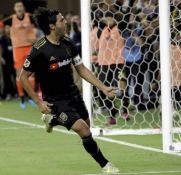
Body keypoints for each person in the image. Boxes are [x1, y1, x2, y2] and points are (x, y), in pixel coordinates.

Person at [19, 7, 119, 174]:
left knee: (87, 126)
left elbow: (81, 69)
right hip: (55, 100)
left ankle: (52, 120)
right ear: (52, 26)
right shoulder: (39, 49)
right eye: (61, 20)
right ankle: (105, 164)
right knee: (84, 130)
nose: (65, 22)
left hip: (73, 95)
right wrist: (39, 102)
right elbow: (23, 77)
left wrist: (103, 87)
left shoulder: (68, 43)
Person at [0, 1, 37, 109]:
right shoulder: (11, 19)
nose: (19, 8)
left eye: (21, 6)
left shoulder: (30, 17)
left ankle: (31, 97)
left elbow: (42, 21)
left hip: (29, 48)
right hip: (18, 49)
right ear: (14, 9)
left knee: (31, 74)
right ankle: (22, 97)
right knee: (19, 73)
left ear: (23, 8)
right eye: (17, 6)